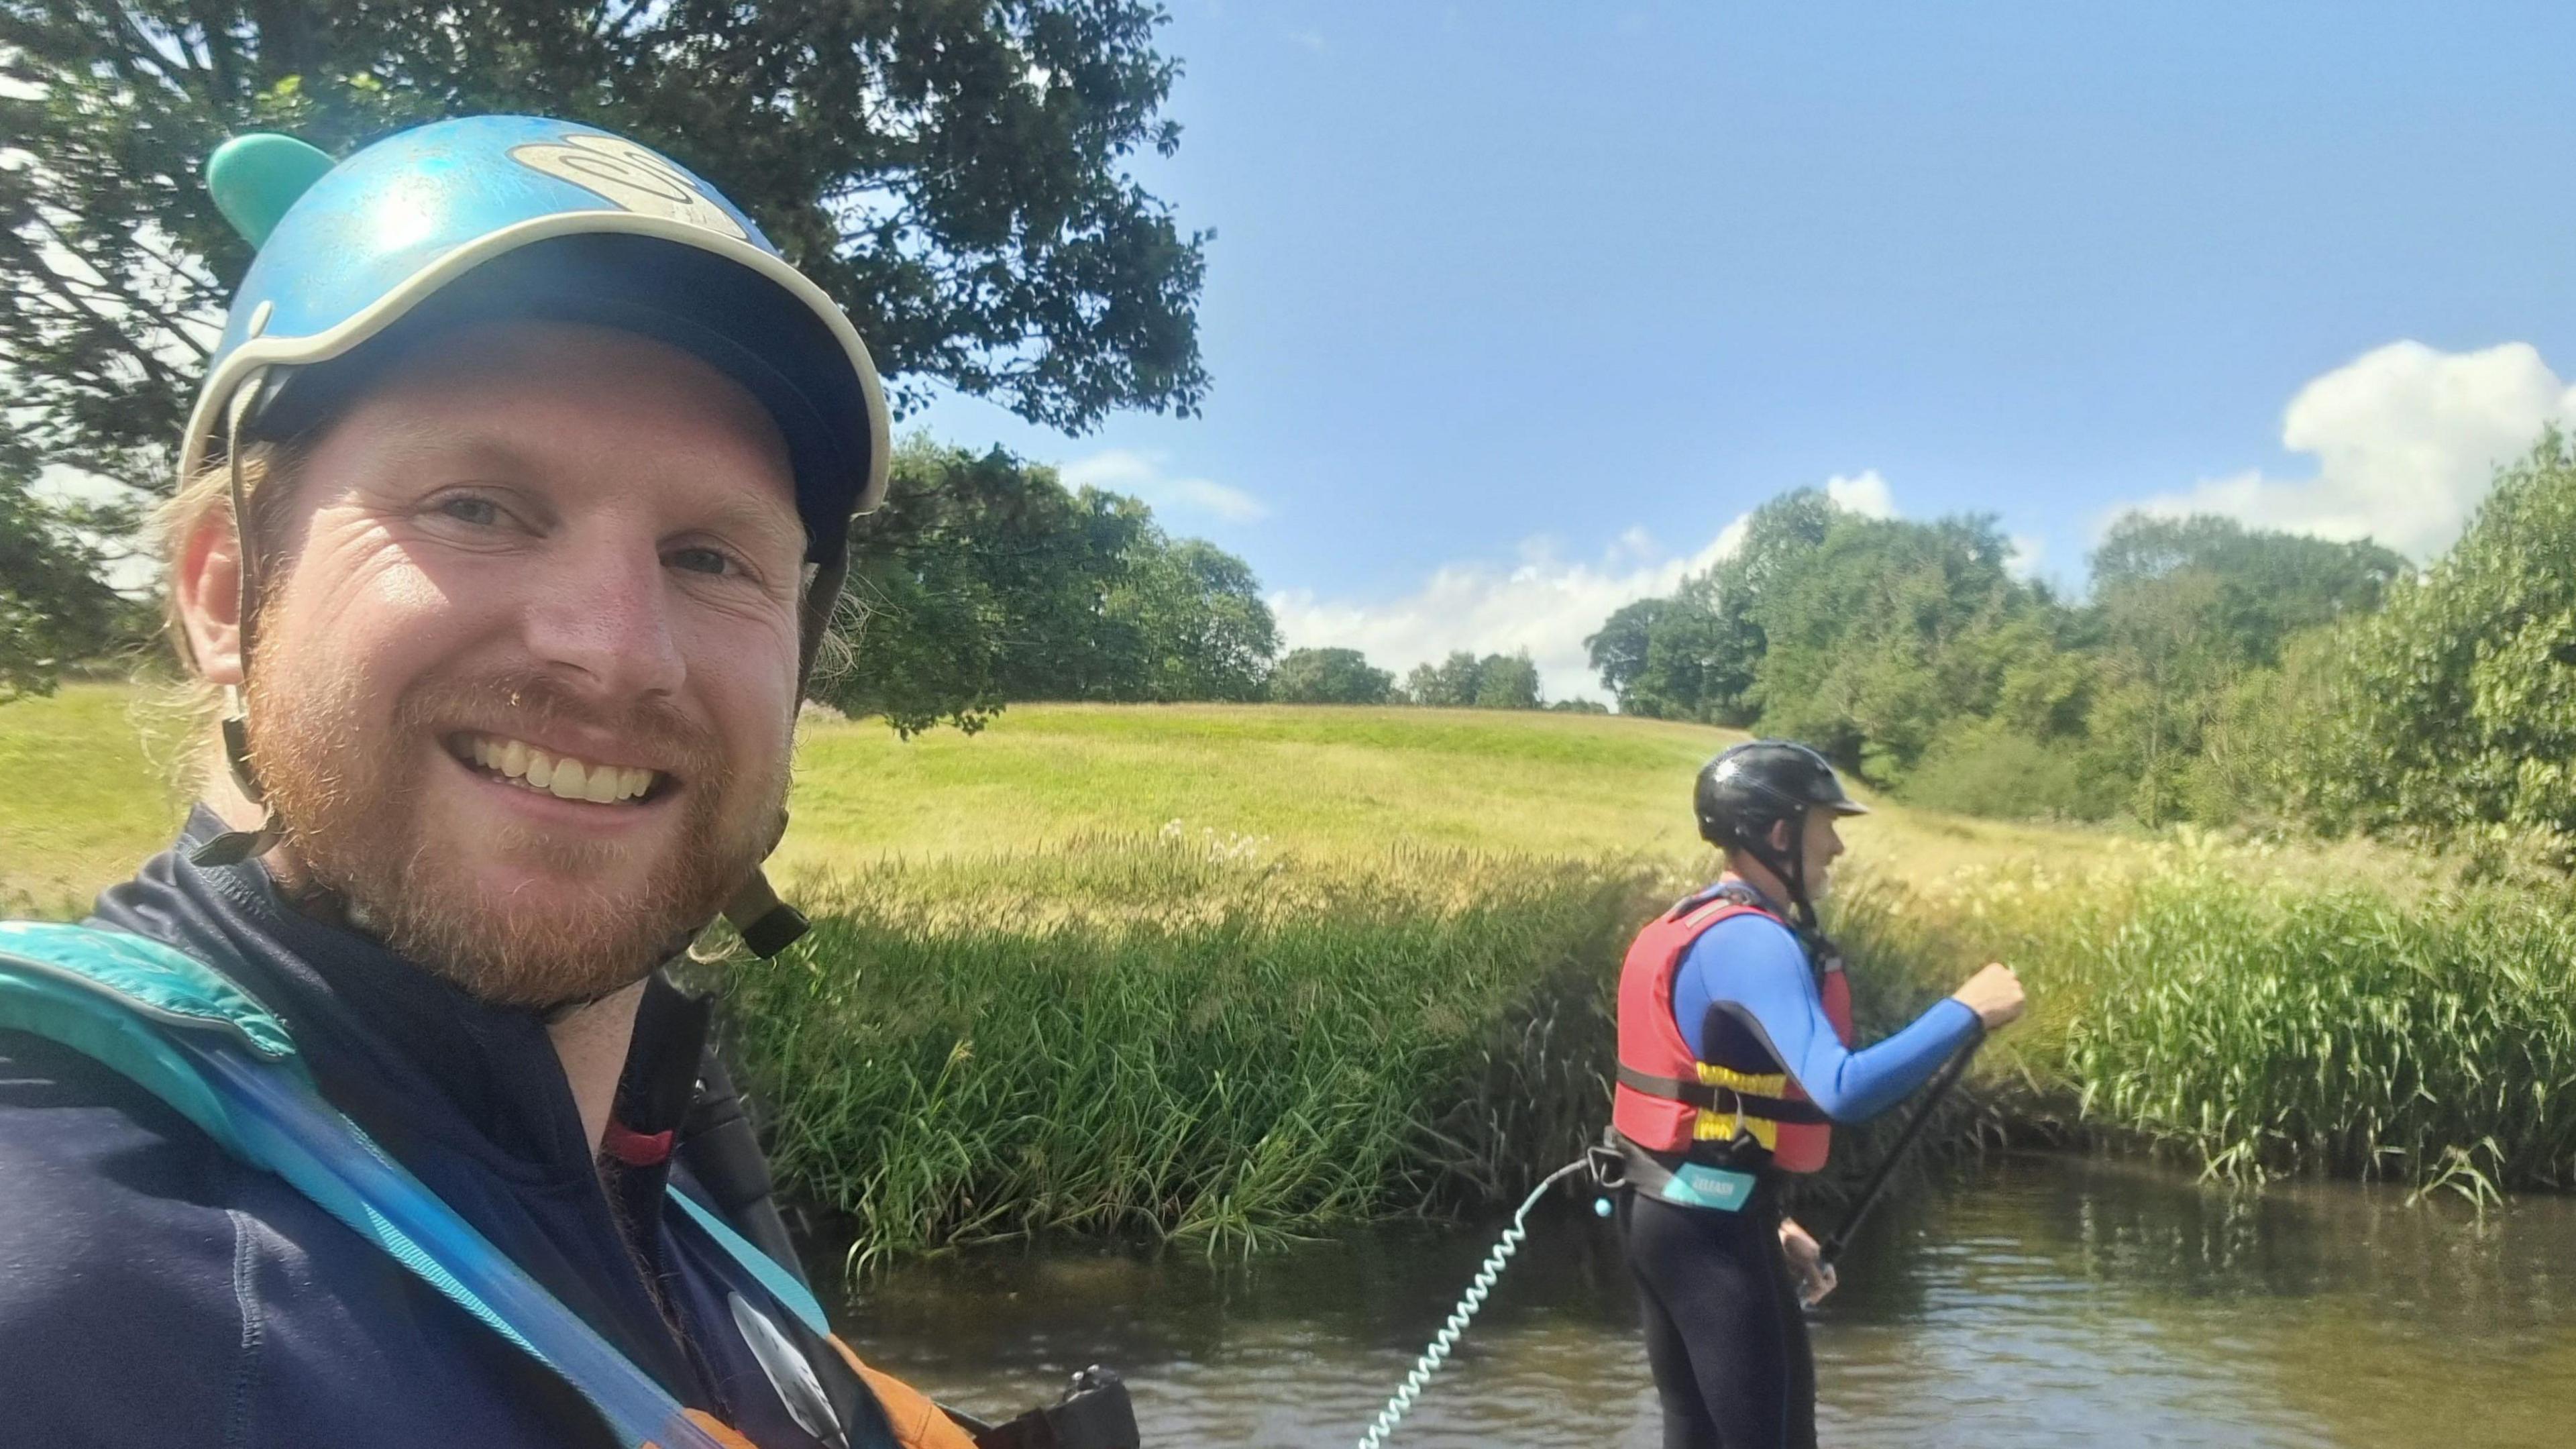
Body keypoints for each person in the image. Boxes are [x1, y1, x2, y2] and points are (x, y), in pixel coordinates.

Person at [0, 115, 1100, 1449]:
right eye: (476, 506)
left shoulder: (667, 1217)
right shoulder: (68, 1268)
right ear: (229, 597)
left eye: (709, 557)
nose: (614, 650)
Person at [1609, 739, 2025, 1449]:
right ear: (1778, 834)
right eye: (1824, 825)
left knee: (1698, 1435)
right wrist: (1965, 1012)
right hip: (1712, 1238)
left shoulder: (1697, 923)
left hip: (1672, 1217)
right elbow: (1840, 1088)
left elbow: (1695, 1122)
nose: (1836, 846)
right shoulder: (1754, 940)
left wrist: (1767, 1220)